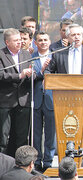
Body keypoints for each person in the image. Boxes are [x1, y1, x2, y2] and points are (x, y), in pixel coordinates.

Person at [46, 24, 83, 167]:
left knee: (82, 132)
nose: (76, 37)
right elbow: (48, 71)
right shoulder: (59, 53)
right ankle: (65, 165)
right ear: (67, 37)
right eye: (73, 35)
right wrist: (47, 76)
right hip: (63, 102)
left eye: (79, 34)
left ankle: (78, 166)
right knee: (65, 130)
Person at [0, 28, 34, 157]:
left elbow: (31, 74)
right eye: (16, 40)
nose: (20, 42)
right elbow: (1, 75)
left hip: (23, 101)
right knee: (3, 138)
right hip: (6, 102)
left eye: (20, 40)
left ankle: (20, 166)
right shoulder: (1, 54)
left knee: (21, 138)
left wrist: (31, 75)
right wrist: (19, 75)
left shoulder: (26, 54)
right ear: (7, 42)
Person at [32, 31, 56, 173]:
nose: (43, 42)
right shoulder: (30, 57)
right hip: (36, 99)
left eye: (45, 40)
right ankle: (36, 161)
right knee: (36, 134)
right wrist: (41, 71)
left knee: (50, 133)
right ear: (35, 43)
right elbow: (32, 76)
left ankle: (48, 161)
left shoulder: (55, 56)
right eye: (40, 40)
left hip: (51, 99)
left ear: (49, 41)